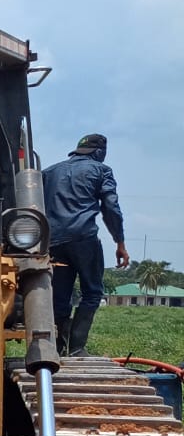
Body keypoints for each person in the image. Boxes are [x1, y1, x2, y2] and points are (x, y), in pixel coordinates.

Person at [44, 132, 128, 357]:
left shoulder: (49, 173)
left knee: (59, 296)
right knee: (92, 292)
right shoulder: (102, 170)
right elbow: (111, 207)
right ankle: (77, 347)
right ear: (99, 152)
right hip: (83, 240)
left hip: (52, 242)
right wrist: (120, 242)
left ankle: (57, 348)